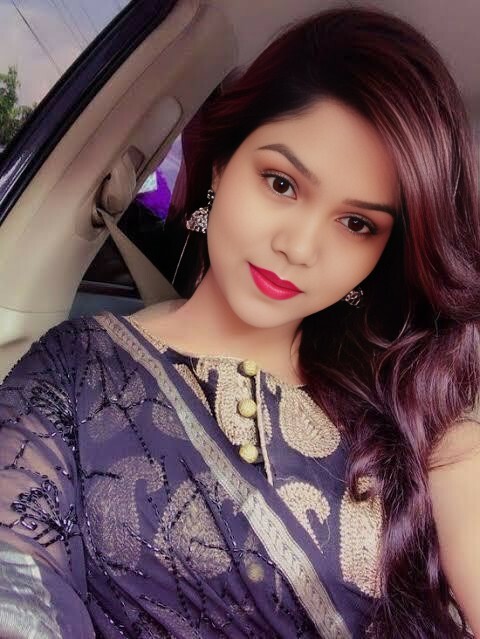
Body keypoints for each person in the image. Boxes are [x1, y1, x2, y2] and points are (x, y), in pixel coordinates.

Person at [0, 6, 479, 638]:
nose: (299, 247)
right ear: (222, 166)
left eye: (356, 223)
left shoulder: (419, 410)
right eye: (281, 183)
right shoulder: (77, 369)